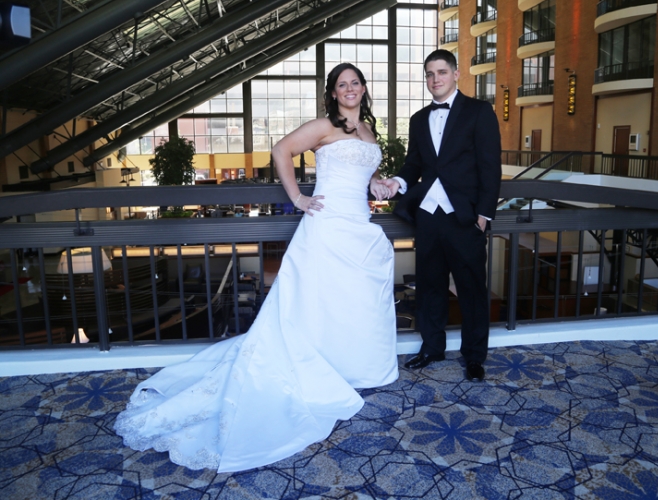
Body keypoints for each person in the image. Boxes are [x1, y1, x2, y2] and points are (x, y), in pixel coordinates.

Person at [114, 63, 398, 473]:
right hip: (327, 227)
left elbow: (363, 171)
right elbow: (281, 150)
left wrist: (379, 181)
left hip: (358, 228)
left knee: (348, 304)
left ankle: (344, 366)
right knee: (317, 302)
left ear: (364, 88)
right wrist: (298, 198)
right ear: (333, 93)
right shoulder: (323, 126)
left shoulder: (369, 131)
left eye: (355, 83)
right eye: (342, 85)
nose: (350, 89)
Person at [382, 49, 501, 382]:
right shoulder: (419, 119)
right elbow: (414, 165)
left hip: (465, 217)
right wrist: (398, 181)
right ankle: (432, 347)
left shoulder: (479, 112)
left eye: (441, 73)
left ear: (456, 73)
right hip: (429, 218)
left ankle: (475, 356)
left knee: (472, 291)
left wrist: (484, 215)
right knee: (430, 287)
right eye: (430, 74)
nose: (435, 79)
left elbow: (491, 167)